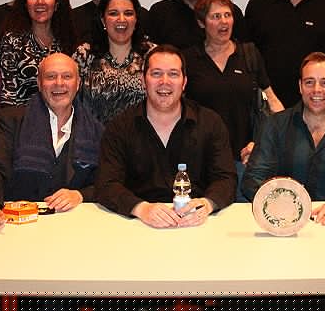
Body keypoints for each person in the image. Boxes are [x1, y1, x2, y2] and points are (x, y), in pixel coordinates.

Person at [95, 45, 236, 228]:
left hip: (196, 224)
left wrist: (207, 204)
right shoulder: (120, 127)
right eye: (156, 74)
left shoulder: (210, 123)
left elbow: (226, 178)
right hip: (138, 225)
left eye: (173, 74)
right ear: (143, 80)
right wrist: (141, 208)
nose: (164, 81)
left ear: (184, 82)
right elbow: (106, 184)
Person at [243, 52, 325, 225]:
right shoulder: (274, 126)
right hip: (280, 222)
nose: (316, 90)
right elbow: (252, 179)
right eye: (309, 82)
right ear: (300, 86)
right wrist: (279, 202)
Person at [0, 53, 104, 229]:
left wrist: (80, 195)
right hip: (17, 225)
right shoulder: (11, 120)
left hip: (72, 225)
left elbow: (107, 181)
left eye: (67, 76)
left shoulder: (97, 130)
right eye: (51, 77)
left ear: (78, 83)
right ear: (39, 83)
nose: (59, 83)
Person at [183, 0, 283, 201]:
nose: (223, 22)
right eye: (215, 16)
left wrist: (262, 144)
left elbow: (272, 102)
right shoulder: (189, 59)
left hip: (244, 158)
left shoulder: (249, 54)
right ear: (202, 23)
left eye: (227, 15)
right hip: (201, 159)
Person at [73, 0, 155, 124]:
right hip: (93, 135)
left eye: (128, 13)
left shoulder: (152, 55)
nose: (121, 19)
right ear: (103, 20)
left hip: (142, 134)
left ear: (136, 19)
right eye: (113, 13)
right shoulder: (85, 55)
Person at [0, 0, 77, 106]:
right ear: (25, 4)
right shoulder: (12, 42)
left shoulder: (67, 41)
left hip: (63, 116)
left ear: (56, 4)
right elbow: (7, 95)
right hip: (23, 116)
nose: (40, 1)